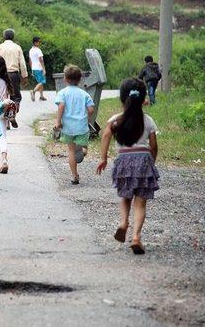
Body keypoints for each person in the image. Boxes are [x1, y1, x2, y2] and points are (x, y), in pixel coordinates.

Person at [96, 78, 160, 255]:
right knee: (140, 203)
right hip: (144, 159)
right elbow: (154, 145)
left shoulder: (116, 120)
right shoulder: (148, 120)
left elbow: (106, 135)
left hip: (123, 160)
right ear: (143, 99)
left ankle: (123, 223)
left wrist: (104, 158)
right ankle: (136, 237)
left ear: (123, 99)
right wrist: (151, 162)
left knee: (125, 197)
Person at [54, 64, 95, 185]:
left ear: (65, 79)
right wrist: (87, 118)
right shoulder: (84, 94)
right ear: (80, 79)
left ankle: (74, 176)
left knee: (71, 151)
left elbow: (61, 106)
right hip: (82, 126)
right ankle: (82, 150)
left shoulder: (63, 93)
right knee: (83, 147)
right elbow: (91, 109)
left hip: (68, 127)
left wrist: (58, 121)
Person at [0, 28, 28, 128]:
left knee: (3, 96)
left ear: (4, 37)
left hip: (2, 74)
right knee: (15, 97)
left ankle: (6, 121)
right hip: (13, 74)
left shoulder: (0, 47)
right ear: (13, 37)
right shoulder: (17, 47)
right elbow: (22, 63)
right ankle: (12, 115)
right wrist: (24, 76)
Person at [29, 36, 47, 101]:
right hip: (39, 68)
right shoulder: (38, 50)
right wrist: (44, 69)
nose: (40, 43)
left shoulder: (31, 50)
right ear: (35, 42)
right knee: (42, 81)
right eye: (39, 42)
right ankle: (33, 91)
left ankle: (41, 96)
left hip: (34, 68)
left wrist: (31, 69)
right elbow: (41, 60)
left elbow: (30, 60)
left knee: (40, 82)